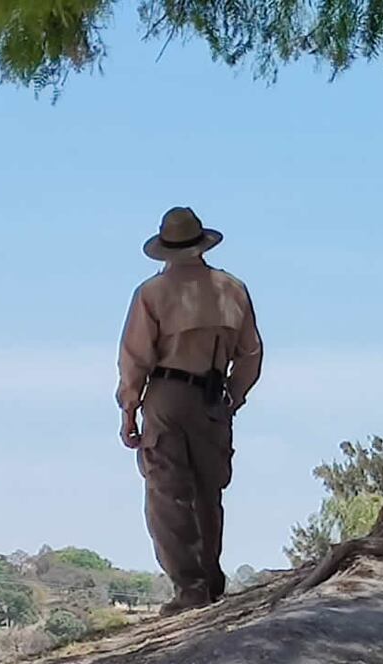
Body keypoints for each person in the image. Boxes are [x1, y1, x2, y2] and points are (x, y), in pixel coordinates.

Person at [116, 206, 263, 615]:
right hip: (213, 396)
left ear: (165, 249)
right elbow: (251, 354)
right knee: (207, 491)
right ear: (201, 244)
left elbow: (134, 359)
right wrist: (233, 395)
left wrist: (129, 408)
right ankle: (210, 580)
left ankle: (189, 587)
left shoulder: (151, 293)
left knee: (167, 494)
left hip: (165, 396)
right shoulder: (232, 289)